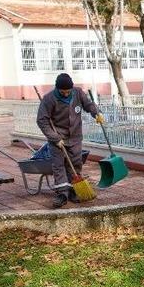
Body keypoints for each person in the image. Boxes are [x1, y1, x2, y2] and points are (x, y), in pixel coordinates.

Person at [36, 73, 105, 208]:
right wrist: (55, 138)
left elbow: (88, 105)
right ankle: (62, 194)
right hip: (57, 137)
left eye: (68, 91)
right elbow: (42, 120)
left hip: (75, 137)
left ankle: (74, 190)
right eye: (63, 92)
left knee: (75, 163)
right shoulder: (49, 99)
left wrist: (97, 113)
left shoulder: (77, 93)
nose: (66, 94)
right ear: (57, 89)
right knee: (59, 165)